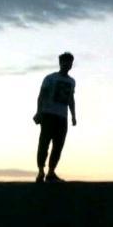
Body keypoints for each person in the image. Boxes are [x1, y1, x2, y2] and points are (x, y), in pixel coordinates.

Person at [33, 52, 77, 183]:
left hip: (62, 117)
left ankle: (51, 172)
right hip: (48, 114)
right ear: (60, 63)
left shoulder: (71, 81)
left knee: (58, 145)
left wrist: (73, 115)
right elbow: (41, 96)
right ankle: (41, 171)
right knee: (44, 143)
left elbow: (71, 99)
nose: (68, 65)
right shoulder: (50, 78)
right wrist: (39, 112)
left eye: (70, 63)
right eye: (66, 62)